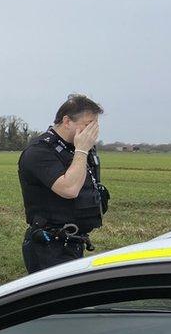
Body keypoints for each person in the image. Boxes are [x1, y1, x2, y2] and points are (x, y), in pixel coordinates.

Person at [18, 94, 109, 274]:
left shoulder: (75, 149)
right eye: (88, 123)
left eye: (95, 124)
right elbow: (70, 189)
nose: (93, 130)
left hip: (74, 243)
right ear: (67, 122)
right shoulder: (39, 151)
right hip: (49, 246)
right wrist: (82, 150)